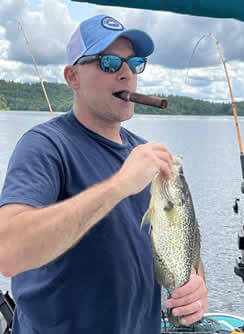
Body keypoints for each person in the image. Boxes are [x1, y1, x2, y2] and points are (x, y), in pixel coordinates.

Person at [0, 14, 207, 334]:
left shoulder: (149, 157)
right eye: (109, 62)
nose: (126, 73)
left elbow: (181, 244)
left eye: (134, 63)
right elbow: (8, 252)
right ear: (72, 77)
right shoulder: (45, 147)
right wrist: (121, 184)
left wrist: (195, 285)